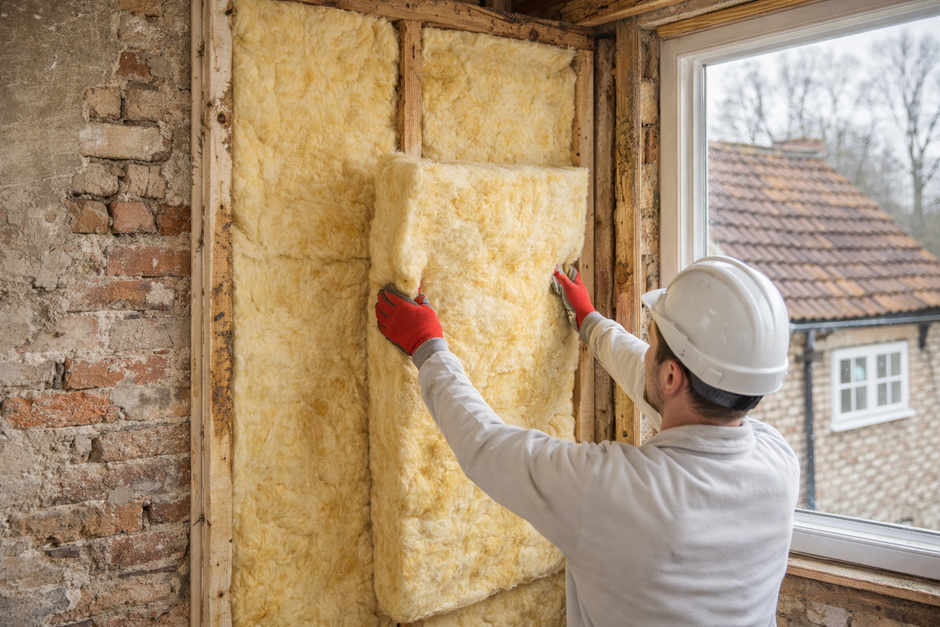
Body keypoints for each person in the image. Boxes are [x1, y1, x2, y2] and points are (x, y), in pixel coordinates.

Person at [374, 256, 800, 627]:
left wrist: (428, 348)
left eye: (652, 344)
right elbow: (670, 396)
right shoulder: (778, 463)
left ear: (672, 376)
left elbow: (488, 447)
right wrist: (591, 324)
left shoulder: (616, 492)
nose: (646, 350)